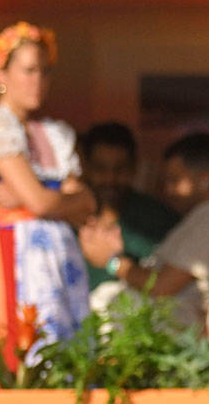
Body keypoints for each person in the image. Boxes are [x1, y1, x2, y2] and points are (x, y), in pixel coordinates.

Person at [0, 21, 94, 344]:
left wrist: (32, 197)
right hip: (9, 252)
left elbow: (86, 202)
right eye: (29, 71)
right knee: (16, 341)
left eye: (45, 72)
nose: (38, 81)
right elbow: (42, 203)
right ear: (1, 74)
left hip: (58, 258)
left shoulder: (53, 133)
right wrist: (46, 199)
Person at [119, 131, 209, 331]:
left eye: (174, 181)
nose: (168, 190)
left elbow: (162, 287)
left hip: (162, 330)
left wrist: (114, 263)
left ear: (204, 180)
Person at [75, 122, 177, 292]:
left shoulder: (159, 220)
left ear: (134, 168)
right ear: (86, 168)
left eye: (120, 169)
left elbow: (168, 286)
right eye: (100, 168)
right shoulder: (69, 219)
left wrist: (112, 261)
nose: (110, 178)